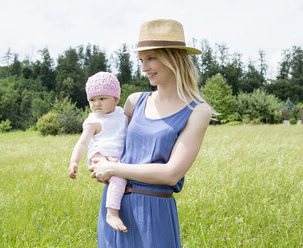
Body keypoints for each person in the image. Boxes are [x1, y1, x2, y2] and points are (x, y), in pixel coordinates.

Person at [89, 19, 212, 247]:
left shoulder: (198, 111)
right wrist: (99, 163)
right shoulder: (134, 101)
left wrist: (113, 168)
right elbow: (110, 144)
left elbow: (171, 173)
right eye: (142, 60)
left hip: (154, 211)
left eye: (151, 58)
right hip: (114, 207)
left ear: (173, 58)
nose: (144, 68)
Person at [68, 71, 129, 232]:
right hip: (100, 156)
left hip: (118, 156)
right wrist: (74, 162)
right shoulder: (93, 121)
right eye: (92, 100)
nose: (96, 104)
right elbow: (82, 143)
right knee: (119, 179)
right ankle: (112, 213)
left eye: (102, 98)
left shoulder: (121, 114)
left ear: (116, 99)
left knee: (125, 175)